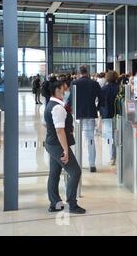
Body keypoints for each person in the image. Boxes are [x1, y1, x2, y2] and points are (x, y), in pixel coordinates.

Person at [44, 77, 85, 214]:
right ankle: (72, 204)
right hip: (57, 145)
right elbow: (59, 131)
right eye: (64, 88)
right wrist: (66, 150)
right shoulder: (58, 108)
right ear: (57, 89)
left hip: (51, 143)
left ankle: (55, 204)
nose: (66, 90)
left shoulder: (50, 104)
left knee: (54, 173)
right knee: (75, 172)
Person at [71, 65, 101, 173]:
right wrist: (96, 108)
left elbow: (70, 99)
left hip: (78, 115)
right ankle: (92, 164)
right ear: (87, 72)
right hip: (90, 113)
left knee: (77, 139)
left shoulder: (74, 83)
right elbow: (101, 97)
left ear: (79, 72)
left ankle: (78, 163)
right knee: (91, 139)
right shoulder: (94, 83)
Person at [99, 71, 119, 166]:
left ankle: (112, 157)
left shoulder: (103, 89)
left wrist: (100, 112)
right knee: (118, 134)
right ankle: (120, 154)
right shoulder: (120, 88)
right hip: (118, 115)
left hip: (107, 115)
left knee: (109, 136)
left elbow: (101, 103)